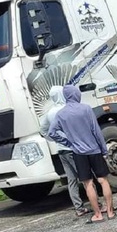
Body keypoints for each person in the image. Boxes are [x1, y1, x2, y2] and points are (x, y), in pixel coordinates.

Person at [48, 85, 116, 224]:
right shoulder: (86, 109)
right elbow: (96, 131)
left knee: (88, 184)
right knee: (103, 180)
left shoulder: (61, 114)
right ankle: (110, 211)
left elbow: (51, 133)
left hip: (78, 153)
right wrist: (104, 149)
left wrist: (68, 143)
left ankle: (97, 214)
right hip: (95, 150)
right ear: (75, 94)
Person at [39, 86, 88, 217]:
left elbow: (44, 130)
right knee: (85, 177)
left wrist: (55, 140)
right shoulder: (66, 110)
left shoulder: (49, 113)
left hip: (61, 150)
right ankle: (97, 203)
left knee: (71, 180)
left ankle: (79, 207)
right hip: (73, 148)